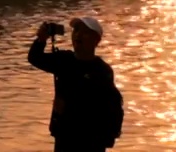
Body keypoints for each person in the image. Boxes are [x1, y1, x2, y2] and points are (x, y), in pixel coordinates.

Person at [28, 17, 124, 151]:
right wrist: (41, 39)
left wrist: (108, 138)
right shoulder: (63, 60)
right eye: (76, 30)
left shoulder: (102, 71)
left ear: (96, 40)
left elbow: (113, 107)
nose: (78, 35)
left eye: (85, 32)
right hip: (64, 136)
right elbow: (35, 58)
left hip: (91, 140)